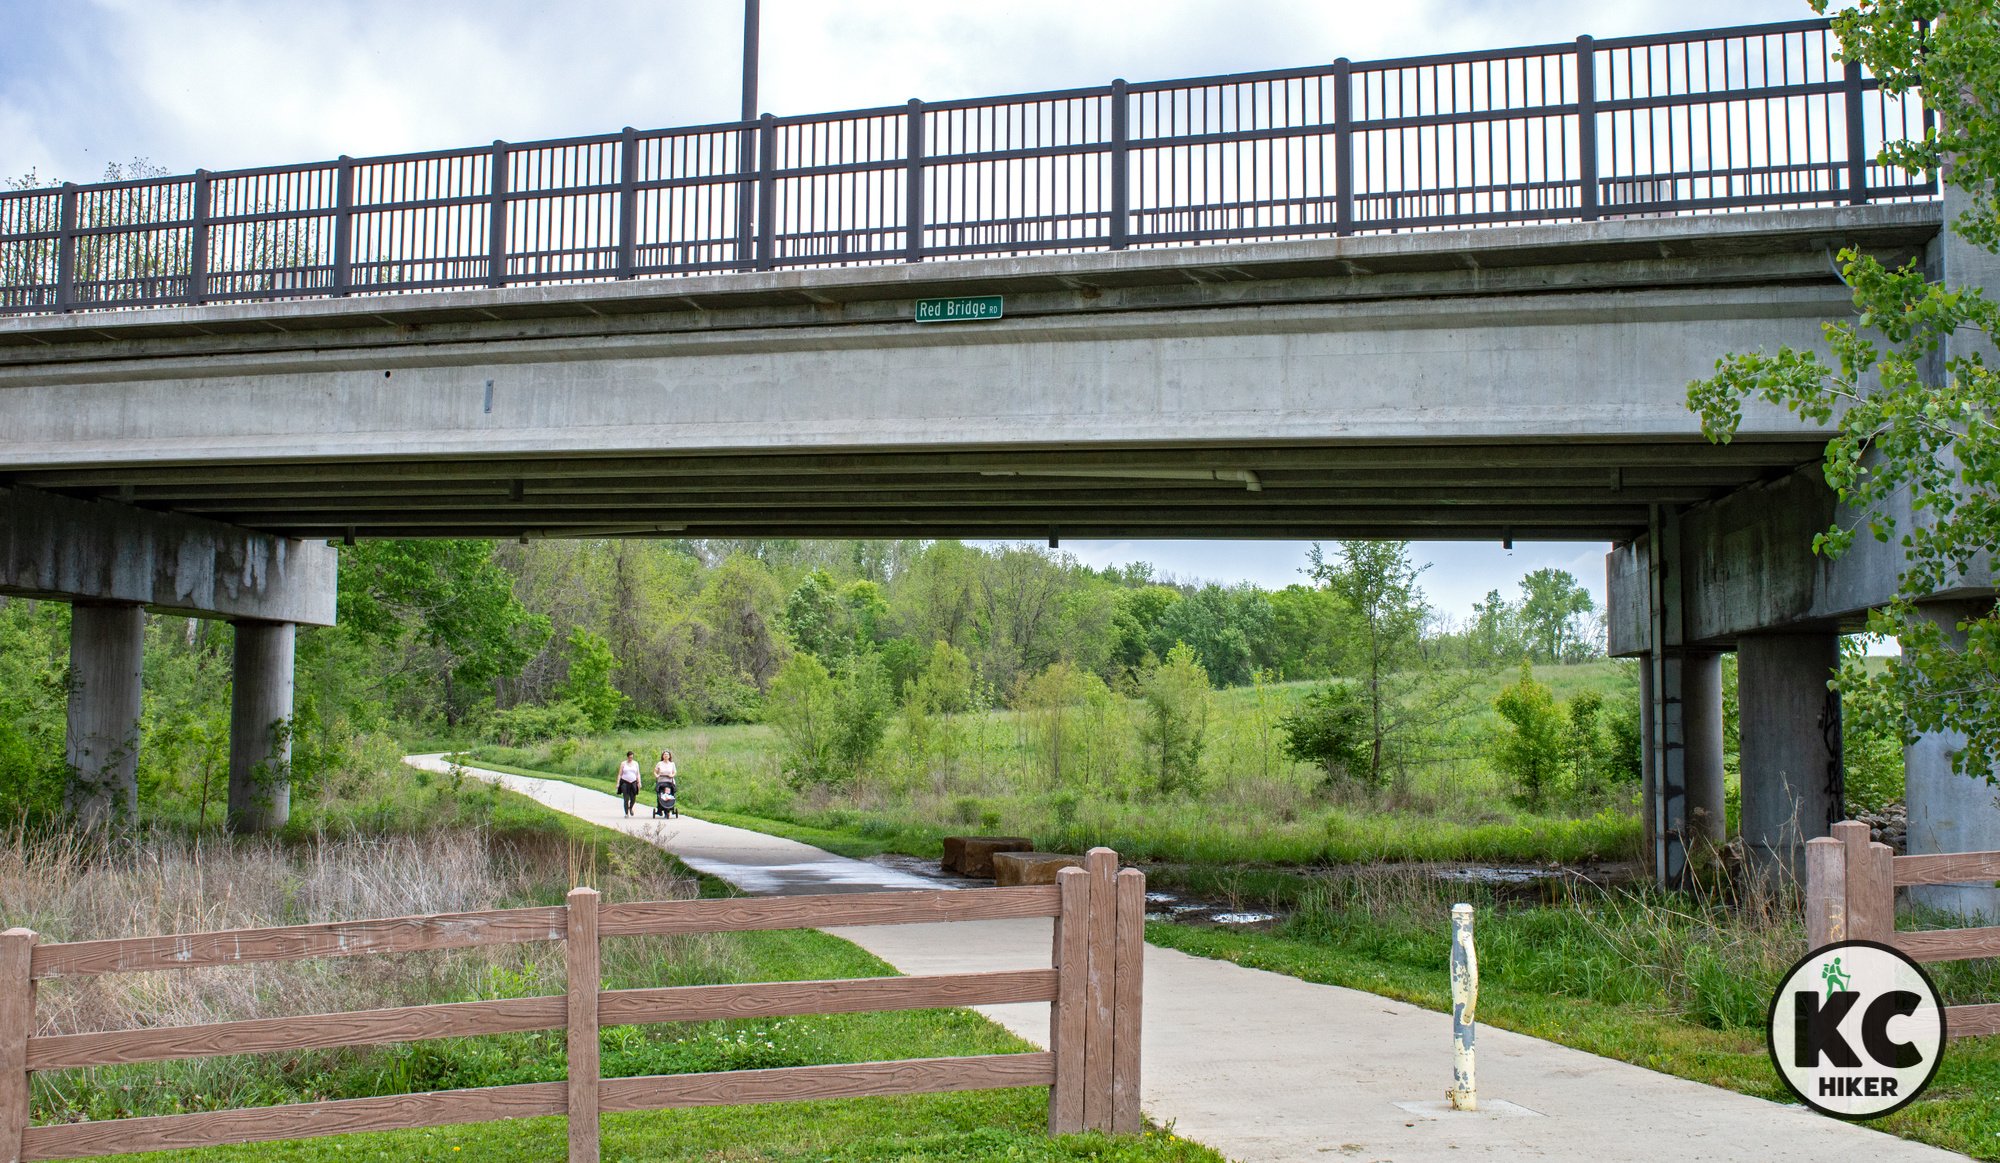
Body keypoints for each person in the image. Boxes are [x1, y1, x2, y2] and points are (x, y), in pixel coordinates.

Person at [653, 750, 678, 819]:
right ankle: (660, 809)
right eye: (664, 754)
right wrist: (657, 775)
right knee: (660, 795)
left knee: (669, 795)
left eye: (667, 754)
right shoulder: (659, 763)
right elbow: (655, 771)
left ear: (669, 756)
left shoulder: (672, 764)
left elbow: (674, 772)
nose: (666, 756)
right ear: (662, 756)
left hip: (669, 782)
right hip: (661, 782)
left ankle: (668, 810)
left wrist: (672, 775)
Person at [615, 751, 641, 817]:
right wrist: (618, 783)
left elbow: (638, 774)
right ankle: (626, 813)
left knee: (633, 798)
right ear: (627, 757)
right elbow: (620, 774)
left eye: (632, 757)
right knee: (626, 798)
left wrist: (639, 782)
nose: (630, 759)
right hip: (625, 782)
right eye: (629, 757)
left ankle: (631, 807)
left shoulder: (636, 763)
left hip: (633, 782)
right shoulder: (623, 763)